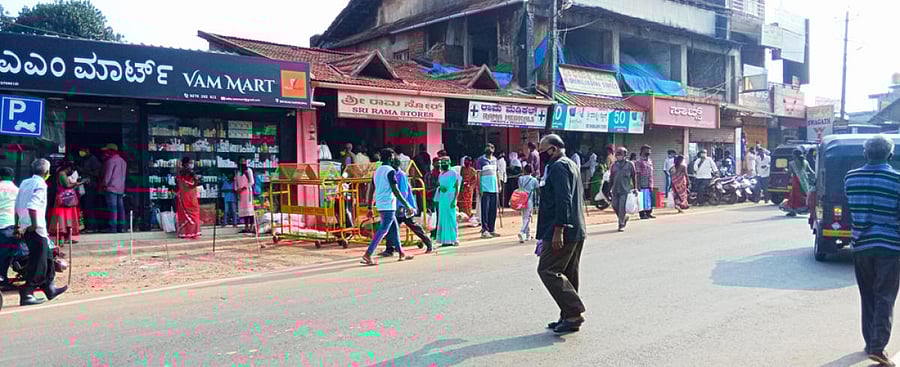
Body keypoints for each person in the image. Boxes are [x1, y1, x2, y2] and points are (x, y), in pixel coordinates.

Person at [844, 135, 900, 367]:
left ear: (865, 154)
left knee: (867, 296)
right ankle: (878, 347)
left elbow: (852, 208)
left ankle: (871, 343)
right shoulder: (897, 180)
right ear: (890, 154)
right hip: (890, 246)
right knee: (884, 297)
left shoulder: (851, 178)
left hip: (861, 246)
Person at [535, 134, 587, 334]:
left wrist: (559, 229)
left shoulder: (558, 167)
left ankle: (574, 312)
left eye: (543, 152)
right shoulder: (570, 164)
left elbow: (564, 198)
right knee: (568, 274)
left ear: (553, 150)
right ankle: (568, 316)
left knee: (547, 270)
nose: (541, 156)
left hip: (562, 229)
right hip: (576, 228)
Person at [15, 159, 68, 306]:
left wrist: (18, 225)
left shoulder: (25, 182)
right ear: (46, 172)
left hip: (28, 226)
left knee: (48, 258)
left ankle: (49, 287)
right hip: (35, 228)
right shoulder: (41, 184)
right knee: (39, 262)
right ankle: (27, 292)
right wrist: (33, 224)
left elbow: (17, 204)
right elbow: (32, 206)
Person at [361, 149, 415, 265]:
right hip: (388, 205)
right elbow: (396, 191)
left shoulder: (377, 171)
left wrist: (369, 207)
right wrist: (407, 205)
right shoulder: (390, 172)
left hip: (381, 204)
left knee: (394, 228)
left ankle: (401, 253)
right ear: (390, 158)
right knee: (383, 230)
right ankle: (368, 254)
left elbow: (371, 190)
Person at [381, 157, 434, 255]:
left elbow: (404, 192)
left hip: (404, 207)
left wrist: (402, 206)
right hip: (395, 206)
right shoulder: (393, 174)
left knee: (413, 226)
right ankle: (390, 249)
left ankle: (428, 242)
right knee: (391, 227)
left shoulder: (401, 175)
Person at [49, 162, 84, 243]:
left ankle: (67, 238)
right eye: (70, 169)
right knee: (63, 219)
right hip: (64, 199)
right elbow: (67, 185)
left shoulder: (62, 173)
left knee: (67, 219)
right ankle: (62, 238)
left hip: (66, 199)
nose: (71, 170)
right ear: (67, 168)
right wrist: (77, 183)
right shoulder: (62, 174)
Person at [434, 157, 460, 248]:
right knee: (443, 218)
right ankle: (444, 240)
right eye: (442, 162)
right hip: (442, 199)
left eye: (445, 162)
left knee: (451, 219)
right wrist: (440, 188)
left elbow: (457, 187)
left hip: (451, 198)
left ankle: (454, 239)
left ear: (449, 162)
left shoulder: (454, 173)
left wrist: (454, 200)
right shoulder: (440, 174)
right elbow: (440, 185)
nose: (443, 164)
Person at [100, 144, 127, 233]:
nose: (105, 153)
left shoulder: (111, 161)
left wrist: (103, 185)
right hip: (121, 188)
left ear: (111, 151)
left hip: (111, 188)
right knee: (121, 208)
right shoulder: (123, 161)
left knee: (113, 208)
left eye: (107, 151)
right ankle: (122, 227)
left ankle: (113, 228)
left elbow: (108, 176)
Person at [610, 147, 637, 232]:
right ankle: (624, 218)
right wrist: (609, 189)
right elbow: (611, 177)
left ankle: (621, 224)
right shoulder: (614, 165)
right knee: (614, 206)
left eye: (620, 154)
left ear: (625, 155)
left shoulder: (630, 164)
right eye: (617, 154)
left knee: (622, 207)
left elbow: (634, 176)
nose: (618, 156)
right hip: (615, 189)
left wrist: (635, 188)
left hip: (625, 190)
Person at [0, 167, 19, 289]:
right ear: (13, 178)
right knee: (5, 254)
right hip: (8, 225)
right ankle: (3, 279)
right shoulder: (17, 190)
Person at [74, 147, 102, 232]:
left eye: (82, 151)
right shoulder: (83, 159)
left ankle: (92, 227)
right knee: (85, 206)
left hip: (91, 185)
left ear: (87, 151)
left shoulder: (93, 159)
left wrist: (84, 171)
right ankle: (88, 226)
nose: (81, 152)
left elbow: (97, 173)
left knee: (90, 206)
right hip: (84, 186)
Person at [477, 144, 500, 238]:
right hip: (485, 188)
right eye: (487, 147)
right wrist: (480, 188)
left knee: (493, 210)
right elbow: (478, 175)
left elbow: (497, 173)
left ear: (493, 150)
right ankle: (485, 230)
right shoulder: (480, 160)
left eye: (491, 147)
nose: (489, 149)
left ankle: (492, 229)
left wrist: (499, 185)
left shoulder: (495, 160)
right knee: (485, 210)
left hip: (494, 188)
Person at [175, 157, 202, 239]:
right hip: (190, 196)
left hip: (183, 196)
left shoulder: (179, 172)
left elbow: (177, 183)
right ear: (186, 163)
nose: (191, 164)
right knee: (194, 213)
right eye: (190, 162)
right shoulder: (190, 171)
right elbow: (196, 181)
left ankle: (185, 233)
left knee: (184, 215)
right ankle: (193, 232)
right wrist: (193, 184)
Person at [786, 149, 814, 217]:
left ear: (795, 155)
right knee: (805, 194)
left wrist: (786, 171)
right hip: (804, 181)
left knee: (794, 197)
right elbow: (811, 171)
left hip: (796, 181)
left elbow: (789, 173)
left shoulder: (792, 163)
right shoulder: (805, 162)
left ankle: (793, 211)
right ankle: (808, 207)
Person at [517, 165, 539, 243]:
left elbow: (520, 188)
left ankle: (528, 234)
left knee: (524, 218)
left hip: (521, 200)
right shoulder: (534, 180)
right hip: (529, 200)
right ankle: (522, 232)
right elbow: (537, 191)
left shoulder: (520, 179)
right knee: (527, 218)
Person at [235, 160, 256, 233]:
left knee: (250, 211)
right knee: (244, 212)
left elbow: (252, 181)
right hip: (241, 194)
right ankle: (246, 227)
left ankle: (252, 227)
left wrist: (244, 187)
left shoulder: (248, 171)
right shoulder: (238, 173)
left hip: (247, 193)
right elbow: (236, 182)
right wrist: (237, 189)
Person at [635, 145, 655, 219]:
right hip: (642, 182)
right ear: (643, 151)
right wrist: (638, 185)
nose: (649, 152)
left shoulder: (649, 161)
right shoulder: (639, 161)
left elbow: (651, 173)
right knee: (642, 199)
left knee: (648, 198)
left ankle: (648, 212)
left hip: (649, 182)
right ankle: (642, 214)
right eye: (647, 150)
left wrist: (651, 183)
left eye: (650, 150)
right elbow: (638, 174)